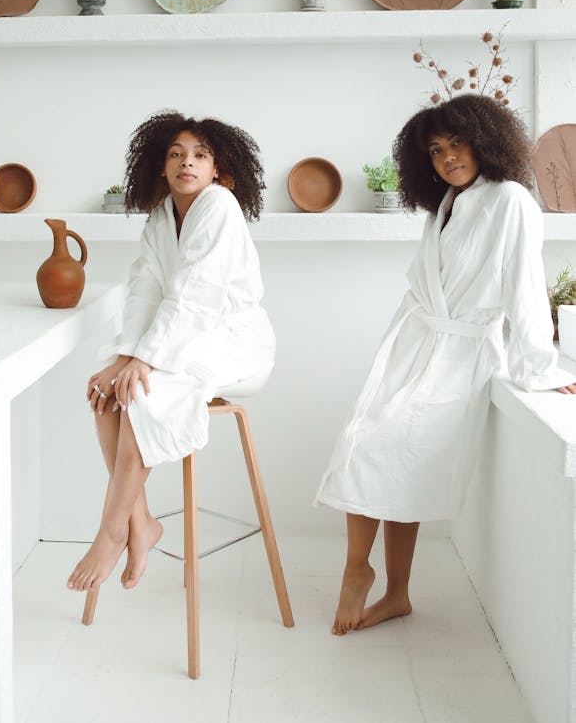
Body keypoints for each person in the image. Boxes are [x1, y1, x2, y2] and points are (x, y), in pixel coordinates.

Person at [315, 93, 576, 636]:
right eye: (435, 150)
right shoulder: (451, 204)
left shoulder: (510, 201)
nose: (447, 157)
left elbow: (525, 289)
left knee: (379, 451)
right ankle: (395, 593)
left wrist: (542, 369)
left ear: (486, 139)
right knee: (383, 458)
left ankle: (356, 571)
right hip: (417, 342)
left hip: (459, 355)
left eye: (457, 142)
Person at [67, 111, 275, 593]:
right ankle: (141, 522)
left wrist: (147, 359)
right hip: (179, 335)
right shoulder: (162, 217)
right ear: (159, 166)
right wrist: (124, 355)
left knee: (146, 390)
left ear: (219, 170)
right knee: (107, 390)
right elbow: (144, 289)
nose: (187, 162)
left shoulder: (219, 205)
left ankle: (112, 529)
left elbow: (196, 293)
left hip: (232, 342)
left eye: (201, 155)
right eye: (176, 154)